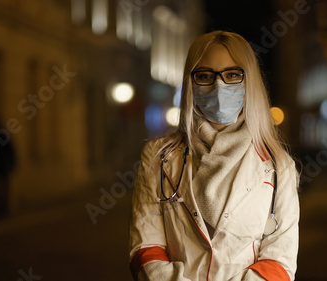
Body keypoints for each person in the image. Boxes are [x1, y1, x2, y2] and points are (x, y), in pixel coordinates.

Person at [128, 30, 300, 281]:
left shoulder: (277, 165)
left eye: (232, 74)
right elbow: (145, 246)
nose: (218, 85)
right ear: (190, 82)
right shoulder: (158, 156)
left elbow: (280, 258)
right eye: (205, 75)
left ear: (248, 81)